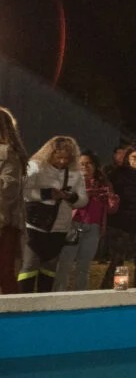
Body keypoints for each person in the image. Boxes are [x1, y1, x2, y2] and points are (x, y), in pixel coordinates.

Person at [20, 136, 87, 292]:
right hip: (34, 224)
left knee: (50, 266)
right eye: (58, 157)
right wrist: (46, 194)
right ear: (49, 153)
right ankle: (23, 299)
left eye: (66, 158)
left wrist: (71, 197)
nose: (62, 161)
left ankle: (44, 300)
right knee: (29, 264)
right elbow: (23, 191)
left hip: (59, 227)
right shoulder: (35, 166)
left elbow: (83, 199)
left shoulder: (76, 173)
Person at [55, 150, 119, 291]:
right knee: (65, 264)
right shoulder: (71, 181)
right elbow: (64, 202)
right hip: (72, 225)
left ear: (95, 165)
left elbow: (111, 210)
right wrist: (86, 194)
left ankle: (81, 296)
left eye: (89, 163)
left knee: (84, 266)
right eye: (82, 163)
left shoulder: (104, 184)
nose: (85, 166)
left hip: (93, 228)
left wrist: (113, 199)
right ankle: (58, 295)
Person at [102, 142, 136, 289]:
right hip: (119, 223)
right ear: (128, 157)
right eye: (134, 157)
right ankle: (119, 289)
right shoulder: (116, 174)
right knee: (118, 260)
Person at [0, 108, 29, 294]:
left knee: (4, 273)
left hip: (5, 222)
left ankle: (13, 309)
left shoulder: (7, 153)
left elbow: (8, 189)